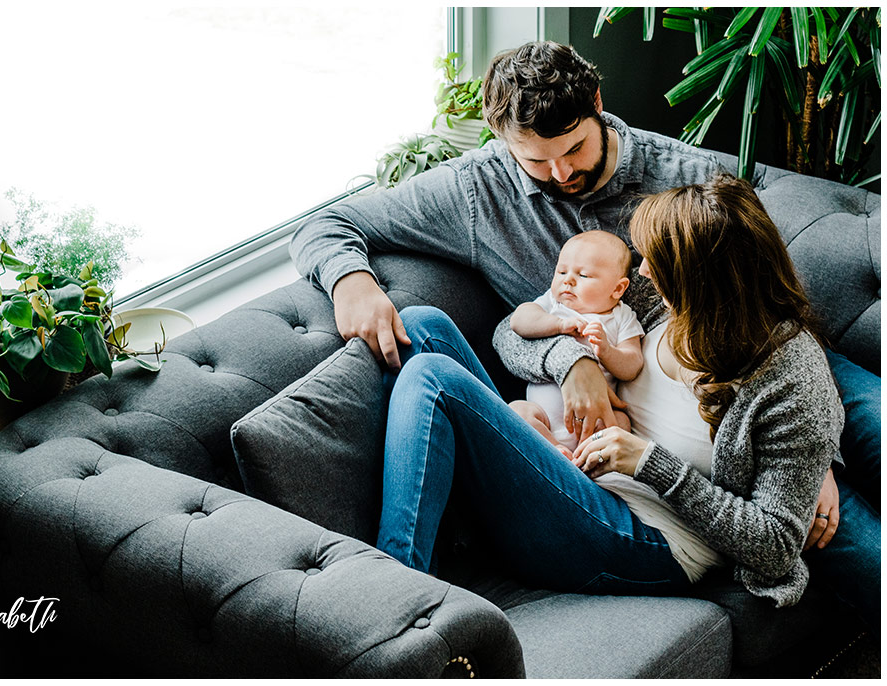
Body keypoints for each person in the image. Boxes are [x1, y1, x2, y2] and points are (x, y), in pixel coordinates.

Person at [290, 40, 878, 606]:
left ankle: (393, 591)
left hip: (744, 359)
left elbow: (762, 300)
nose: (560, 172)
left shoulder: (682, 183)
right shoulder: (478, 193)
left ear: (596, 103)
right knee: (422, 327)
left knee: (849, 461)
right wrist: (352, 281)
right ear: (502, 141)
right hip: (634, 385)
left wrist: (815, 456)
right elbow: (329, 226)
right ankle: (405, 590)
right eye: (536, 160)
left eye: (573, 149)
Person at [375, 175, 878, 629]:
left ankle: (390, 608)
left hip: (649, 535)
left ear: (698, 280)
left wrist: (649, 463)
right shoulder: (662, 304)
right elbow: (515, 331)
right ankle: (446, 526)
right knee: (424, 325)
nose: (640, 274)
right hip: (579, 465)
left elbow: (774, 547)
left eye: (652, 263)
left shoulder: (788, 377)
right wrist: (576, 363)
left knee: (432, 377)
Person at [509, 230, 643, 456]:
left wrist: (608, 352)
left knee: (621, 423)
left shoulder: (621, 317)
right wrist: (558, 325)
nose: (567, 280)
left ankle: (588, 458)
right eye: (561, 271)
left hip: (597, 421)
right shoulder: (553, 305)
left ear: (618, 288)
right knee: (518, 410)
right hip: (543, 418)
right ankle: (554, 448)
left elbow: (633, 366)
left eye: (583, 276)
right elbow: (518, 321)